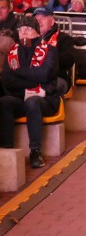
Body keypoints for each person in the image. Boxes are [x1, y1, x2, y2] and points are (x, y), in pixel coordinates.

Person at [0, 15, 58, 169]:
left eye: (28, 29)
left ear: (37, 32)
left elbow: (45, 75)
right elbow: (7, 80)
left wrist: (19, 72)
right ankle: (8, 149)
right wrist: (32, 81)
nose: (23, 32)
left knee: (32, 102)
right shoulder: (13, 51)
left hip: (45, 99)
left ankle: (35, 151)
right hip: (20, 97)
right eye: (20, 29)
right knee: (5, 102)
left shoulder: (49, 50)